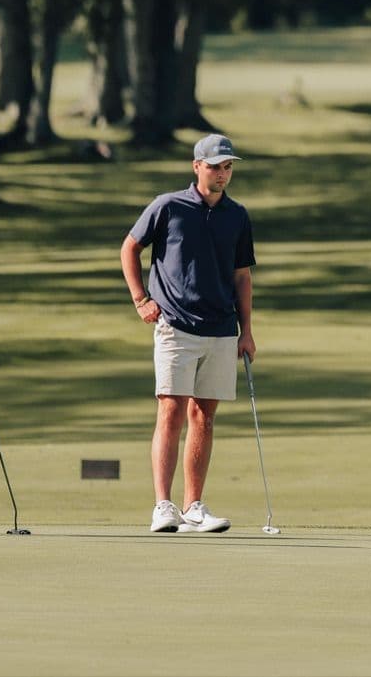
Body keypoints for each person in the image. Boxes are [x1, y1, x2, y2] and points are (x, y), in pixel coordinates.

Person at [120, 134, 257, 536]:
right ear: (197, 166)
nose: (222, 173)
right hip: (176, 325)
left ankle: (193, 506)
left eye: (228, 166)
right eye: (215, 166)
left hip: (220, 328)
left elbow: (242, 276)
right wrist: (140, 298)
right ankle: (163, 506)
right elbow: (130, 247)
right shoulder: (168, 206)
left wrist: (246, 331)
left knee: (204, 416)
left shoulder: (237, 215)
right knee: (171, 410)